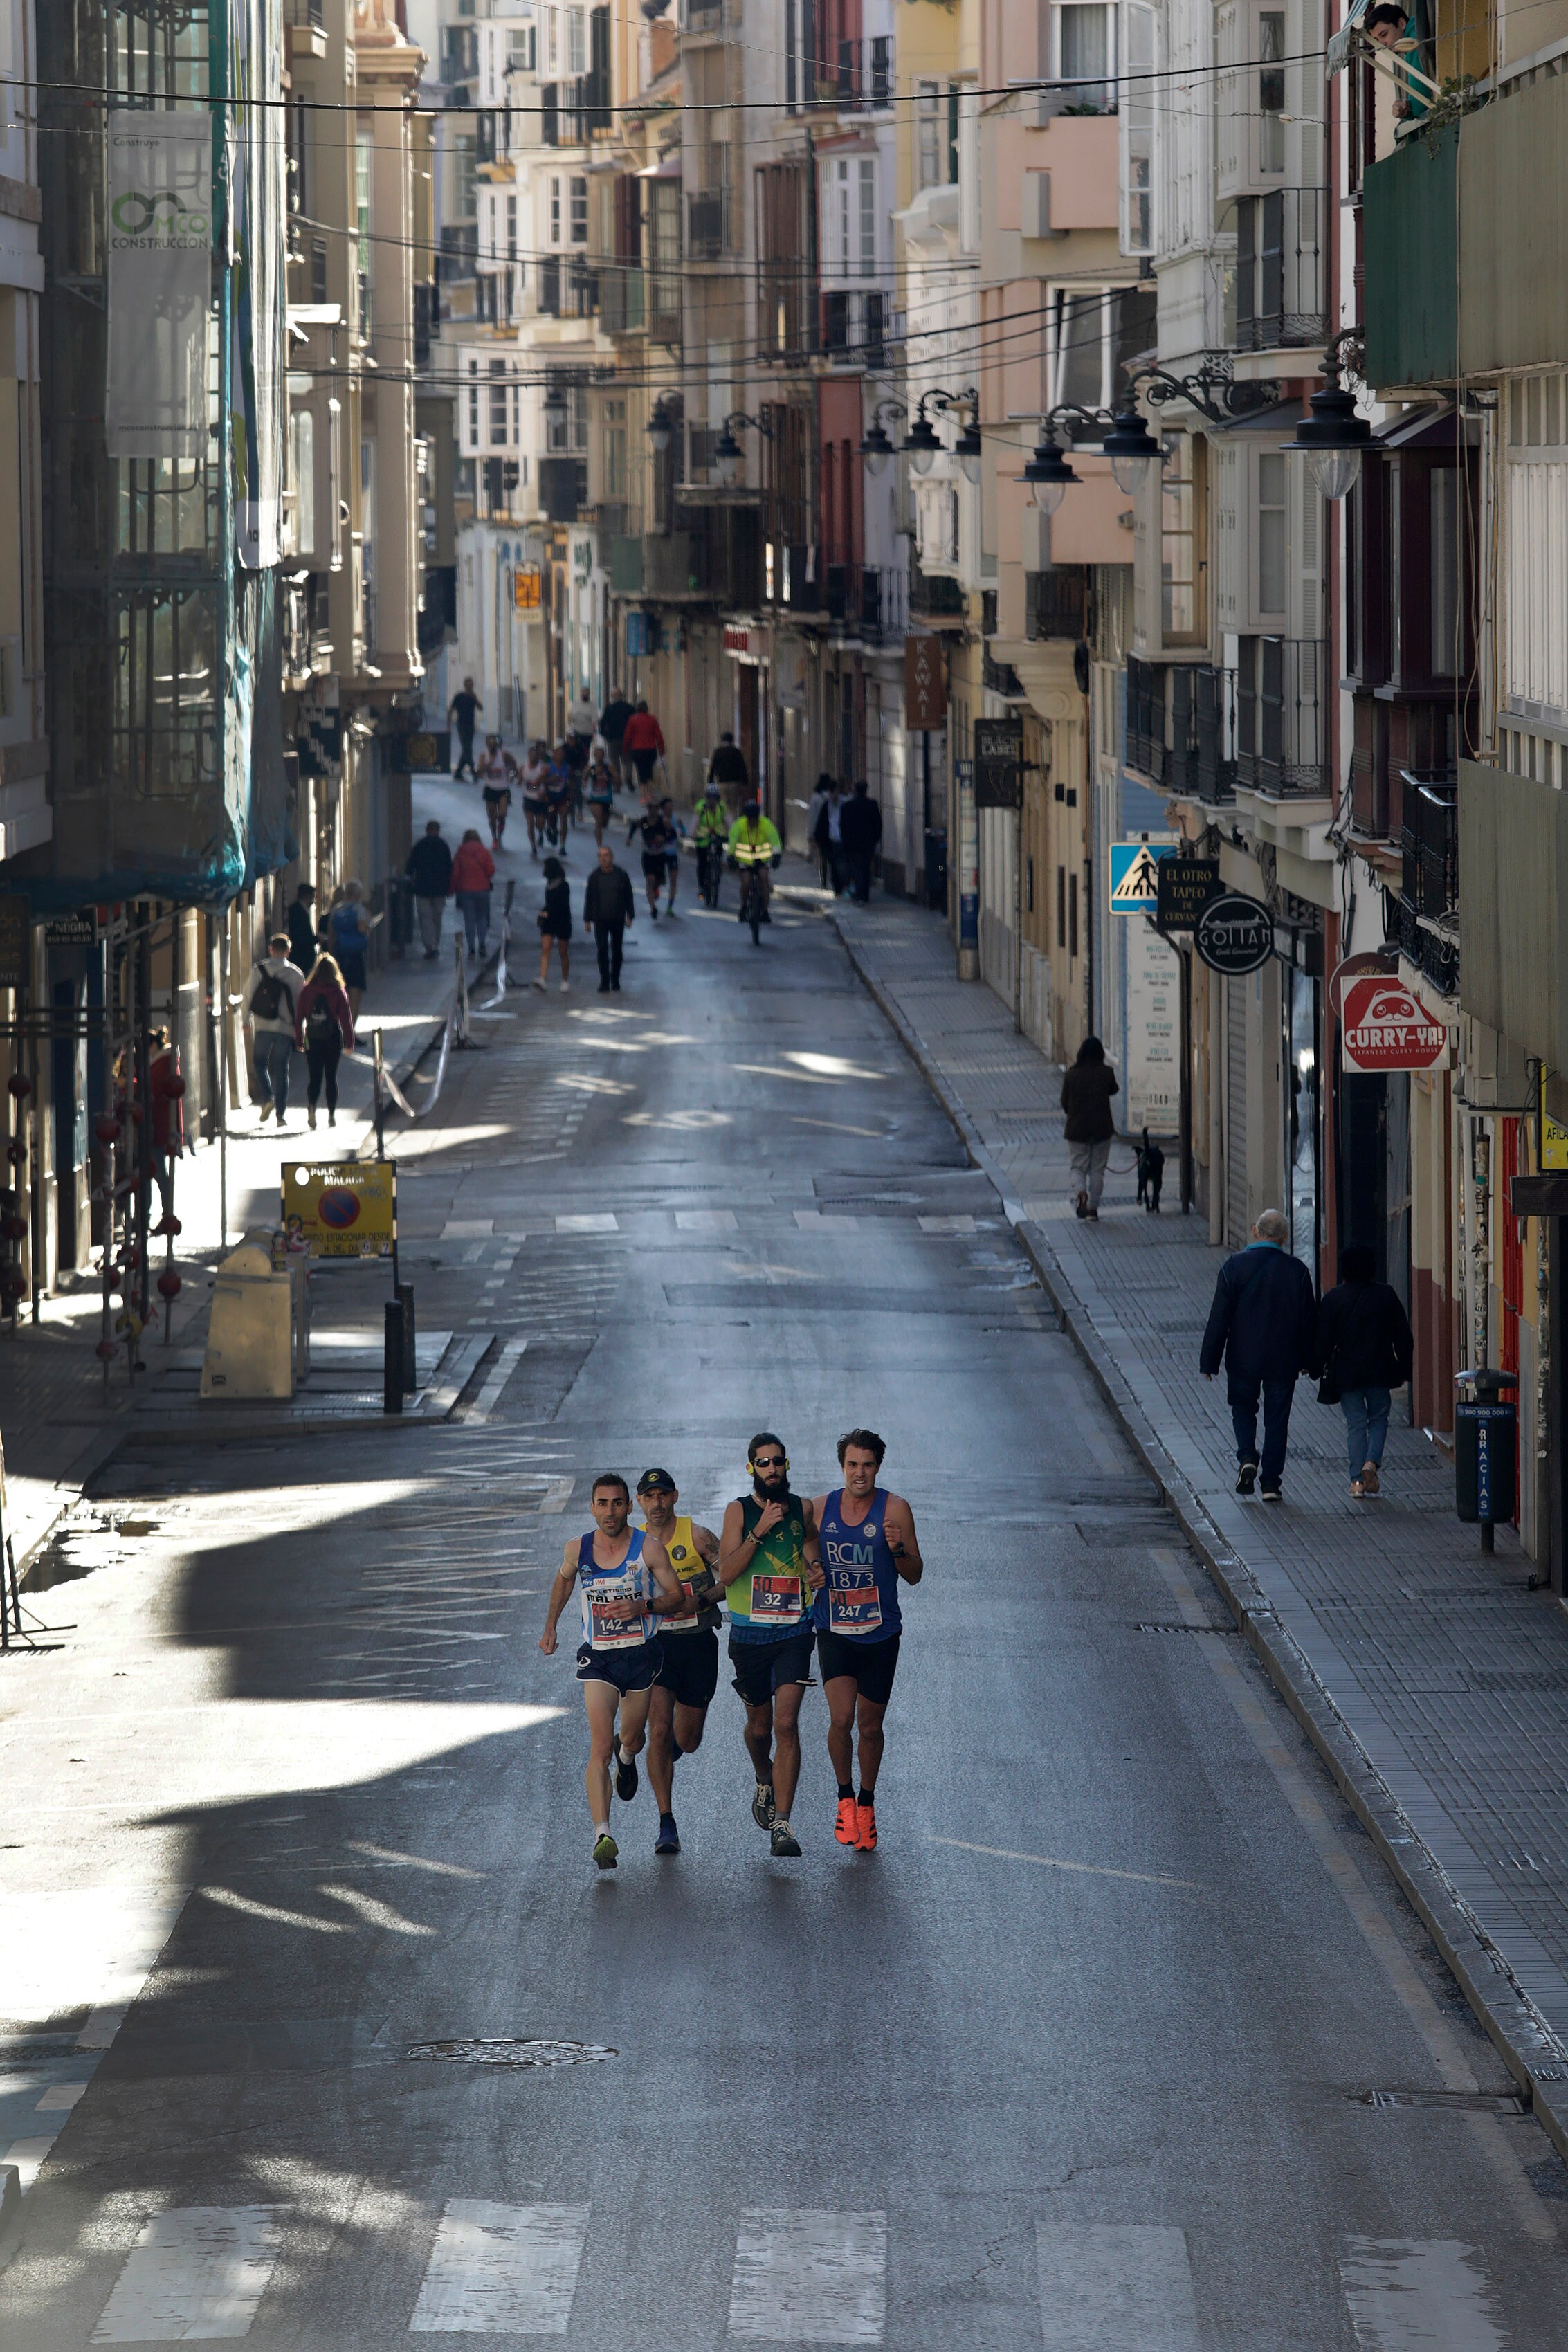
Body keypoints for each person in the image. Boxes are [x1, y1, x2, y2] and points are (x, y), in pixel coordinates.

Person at [538, 1471, 686, 1870]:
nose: (610, 1511)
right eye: (602, 1504)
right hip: (599, 1657)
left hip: (640, 1655)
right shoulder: (578, 1549)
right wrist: (551, 1626)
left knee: (632, 1738)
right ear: (592, 1508)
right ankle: (603, 1834)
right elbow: (563, 1582)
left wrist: (643, 1607)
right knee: (599, 1745)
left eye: (617, 1503)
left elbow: (676, 1598)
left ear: (628, 1506)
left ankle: (628, 1754)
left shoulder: (648, 1548)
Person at [811, 1430, 923, 1854]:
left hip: (880, 1634)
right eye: (853, 1465)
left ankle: (867, 1803)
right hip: (835, 1629)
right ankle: (844, 1798)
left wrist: (896, 1549)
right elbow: (805, 1551)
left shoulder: (895, 1509)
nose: (860, 1473)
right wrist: (813, 1569)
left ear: (878, 1466)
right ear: (842, 1466)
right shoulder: (821, 1509)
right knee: (841, 1720)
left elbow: (914, 1573)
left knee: (870, 1726)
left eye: (868, 1465)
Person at [716, 1433, 822, 1859]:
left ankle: (783, 1824)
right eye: (763, 1463)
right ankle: (764, 1778)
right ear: (751, 1469)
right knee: (760, 1728)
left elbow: (810, 1539)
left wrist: (816, 1567)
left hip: (795, 1630)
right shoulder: (737, 1511)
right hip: (750, 1634)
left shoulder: (803, 1508)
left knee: (786, 1725)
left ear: (787, 1465)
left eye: (778, 1462)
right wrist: (758, 1531)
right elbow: (726, 1573)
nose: (772, 1469)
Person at [1200, 1207, 1320, 1502]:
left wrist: (1209, 1361)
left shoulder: (1234, 1267)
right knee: (1277, 1420)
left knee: (1243, 1409)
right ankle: (1270, 1484)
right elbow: (1308, 1322)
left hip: (1243, 1359)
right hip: (1283, 1360)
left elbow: (1219, 1318)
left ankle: (1247, 1458)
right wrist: (1310, 1361)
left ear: (1255, 1231)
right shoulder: (1298, 1271)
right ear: (1285, 1238)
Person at [635, 1468, 724, 1856]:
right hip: (656, 1646)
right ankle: (666, 1822)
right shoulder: (632, 1543)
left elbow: (731, 1578)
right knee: (658, 1730)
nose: (656, 1504)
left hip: (698, 1643)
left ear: (674, 1497)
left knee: (687, 1739)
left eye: (663, 1496)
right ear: (640, 1502)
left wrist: (701, 1599)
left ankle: (669, 1752)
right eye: (648, 1497)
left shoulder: (700, 1537)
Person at [1316, 1243, 1415, 1499]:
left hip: (1348, 1374)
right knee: (1380, 1418)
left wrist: (1315, 1367)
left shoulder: (1334, 1298)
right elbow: (1403, 1336)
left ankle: (1356, 1483)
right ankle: (1371, 1462)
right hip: (1380, 1370)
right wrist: (1405, 1368)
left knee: (1356, 1424)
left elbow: (1323, 1340)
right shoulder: (1386, 1295)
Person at [243, 933, 307, 1127]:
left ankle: (268, 1099)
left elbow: (248, 995)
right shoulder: (296, 974)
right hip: (285, 1028)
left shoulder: (259, 969)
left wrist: (246, 1020)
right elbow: (301, 1004)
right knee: (282, 1070)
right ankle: (280, 1116)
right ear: (288, 951)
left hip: (263, 1025)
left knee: (260, 1064)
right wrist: (300, 1029)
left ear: (271, 949)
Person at [293, 951, 355, 1131]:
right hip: (333, 1037)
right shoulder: (338, 991)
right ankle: (331, 1115)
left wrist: (299, 1040)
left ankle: (312, 1108)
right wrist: (349, 1043)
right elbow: (346, 1019)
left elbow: (300, 1018)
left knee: (314, 1077)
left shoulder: (307, 990)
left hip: (313, 1036)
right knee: (331, 1077)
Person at [1060, 1035, 1119, 1221]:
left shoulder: (1071, 1074)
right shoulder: (1106, 1072)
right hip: (1101, 1129)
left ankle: (1080, 1193)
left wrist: (1074, 1113)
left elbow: (1064, 1103)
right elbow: (1114, 1090)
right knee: (1097, 1170)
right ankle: (1093, 1210)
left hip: (1077, 1130)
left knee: (1078, 1167)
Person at [584, 840, 635, 992]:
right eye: (600, 856)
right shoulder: (594, 877)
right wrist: (587, 920)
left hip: (617, 918)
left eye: (606, 856)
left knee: (617, 950)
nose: (604, 859)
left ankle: (615, 979)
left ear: (612, 857)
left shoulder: (621, 875)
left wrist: (630, 916)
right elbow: (589, 898)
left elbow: (629, 896)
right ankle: (604, 981)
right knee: (602, 949)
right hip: (600, 919)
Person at [727, 797, 782, 927]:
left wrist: (777, 855)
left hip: (762, 860)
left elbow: (775, 840)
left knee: (764, 880)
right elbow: (733, 842)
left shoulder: (766, 824)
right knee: (746, 883)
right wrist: (730, 856)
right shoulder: (739, 825)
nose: (752, 821)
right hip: (744, 861)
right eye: (750, 818)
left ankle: (765, 911)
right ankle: (744, 907)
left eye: (754, 818)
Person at [405, 821, 453, 959]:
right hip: (439, 889)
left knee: (425, 918)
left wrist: (411, 880)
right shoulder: (443, 846)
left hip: (422, 888)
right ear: (438, 830)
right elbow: (449, 868)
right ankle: (435, 944)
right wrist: (449, 886)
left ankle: (430, 946)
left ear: (427, 830)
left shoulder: (419, 846)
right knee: (437, 917)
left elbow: (410, 866)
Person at [327, 881, 372, 1021]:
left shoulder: (336, 909)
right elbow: (362, 929)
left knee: (340, 993)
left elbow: (331, 934)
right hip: (355, 957)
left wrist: (332, 953)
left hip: (339, 955)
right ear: (358, 895)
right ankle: (350, 1032)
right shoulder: (359, 910)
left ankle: (340, 1029)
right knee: (355, 996)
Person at [450, 828, 496, 959]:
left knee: (469, 919)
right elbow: (491, 870)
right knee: (482, 917)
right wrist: (483, 877)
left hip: (465, 891)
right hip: (483, 889)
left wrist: (452, 890)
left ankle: (471, 948)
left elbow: (455, 874)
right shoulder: (484, 851)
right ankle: (482, 943)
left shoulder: (461, 852)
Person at [627, 797, 677, 920]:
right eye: (650, 808)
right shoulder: (644, 821)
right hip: (648, 855)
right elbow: (634, 825)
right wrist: (630, 838)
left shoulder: (663, 821)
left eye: (656, 808)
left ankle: (656, 888)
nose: (653, 810)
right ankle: (653, 908)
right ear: (648, 809)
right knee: (650, 880)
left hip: (660, 855)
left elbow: (673, 834)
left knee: (660, 881)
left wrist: (664, 838)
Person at [838, 779, 882, 904]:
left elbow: (843, 826)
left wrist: (845, 842)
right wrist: (875, 839)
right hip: (868, 844)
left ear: (855, 791)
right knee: (866, 869)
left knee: (857, 869)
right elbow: (878, 824)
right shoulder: (872, 805)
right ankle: (865, 895)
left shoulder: (847, 807)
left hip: (853, 844)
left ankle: (860, 895)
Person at [534, 855, 572, 994]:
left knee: (563, 952)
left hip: (562, 921)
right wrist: (543, 912)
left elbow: (560, 905)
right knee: (546, 949)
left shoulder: (563, 885)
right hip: (549, 922)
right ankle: (542, 978)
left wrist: (546, 913)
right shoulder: (549, 885)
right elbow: (549, 903)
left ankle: (565, 980)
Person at [693, 780, 729, 904]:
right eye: (709, 797)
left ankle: (717, 871)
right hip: (702, 838)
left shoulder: (722, 806)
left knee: (718, 857)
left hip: (719, 836)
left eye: (714, 797)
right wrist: (691, 833)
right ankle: (701, 887)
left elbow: (729, 820)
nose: (711, 800)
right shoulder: (701, 806)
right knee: (702, 863)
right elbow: (695, 822)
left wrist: (733, 833)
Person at [621, 699, 665, 792]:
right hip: (651, 749)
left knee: (640, 771)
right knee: (649, 772)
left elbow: (628, 736)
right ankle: (649, 793)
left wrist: (625, 748)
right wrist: (661, 749)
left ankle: (643, 795)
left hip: (637, 750)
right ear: (647, 709)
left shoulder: (632, 720)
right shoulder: (652, 719)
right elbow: (658, 735)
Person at [478, 736, 513, 849]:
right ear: (487, 745)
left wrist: (512, 774)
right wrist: (490, 762)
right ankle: (494, 838)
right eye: (490, 744)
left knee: (502, 815)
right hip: (490, 789)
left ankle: (500, 835)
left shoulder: (504, 754)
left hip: (504, 789)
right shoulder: (484, 756)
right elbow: (479, 772)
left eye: (494, 744)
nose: (493, 746)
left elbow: (514, 764)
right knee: (492, 817)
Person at [812, 781, 846, 895]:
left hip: (839, 839)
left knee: (837, 864)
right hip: (832, 840)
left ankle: (839, 886)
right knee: (835, 864)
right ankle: (838, 886)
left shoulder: (841, 803)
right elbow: (822, 824)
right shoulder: (828, 804)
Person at [599, 689, 635, 789]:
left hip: (613, 739)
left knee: (614, 761)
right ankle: (628, 776)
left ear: (613, 697)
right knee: (628, 760)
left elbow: (602, 723)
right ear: (622, 696)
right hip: (627, 738)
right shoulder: (629, 708)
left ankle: (617, 781)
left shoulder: (609, 709)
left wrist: (604, 734)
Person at [520, 741, 551, 858]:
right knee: (530, 824)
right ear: (528, 756)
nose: (534, 757)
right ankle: (533, 846)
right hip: (528, 799)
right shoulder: (524, 767)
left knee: (540, 824)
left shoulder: (544, 768)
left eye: (536, 755)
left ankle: (541, 833)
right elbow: (519, 780)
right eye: (532, 755)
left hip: (540, 800)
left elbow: (548, 782)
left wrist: (544, 789)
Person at [449, 677, 482, 781]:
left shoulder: (473, 697)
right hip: (461, 726)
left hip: (471, 726)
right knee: (467, 749)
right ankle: (473, 772)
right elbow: (451, 710)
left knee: (466, 750)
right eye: (468, 685)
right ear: (465, 686)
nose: (470, 687)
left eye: (471, 686)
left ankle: (458, 772)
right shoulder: (459, 696)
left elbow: (481, 708)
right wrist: (448, 726)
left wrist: (475, 698)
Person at [805, 774, 834, 888]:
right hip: (831, 831)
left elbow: (812, 817)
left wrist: (810, 834)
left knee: (823, 857)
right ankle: (832, 879)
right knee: (831, 858)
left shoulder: (816, 797)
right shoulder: (831, 797)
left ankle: (823, 881)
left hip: (820, 832)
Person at [286, 881, 319, 977]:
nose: (314, 901)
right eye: (313, 897)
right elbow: (300, 936)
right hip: (301, 958)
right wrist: (316, 939)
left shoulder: (301, 910)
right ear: (308, 896)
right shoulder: (297, 911)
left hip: (303, 959)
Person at [659, 796, 686, 916]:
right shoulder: (658, 821)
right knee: (660, 880)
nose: (670, 810)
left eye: (671, 808)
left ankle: (670, 906)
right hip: (659, 854)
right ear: (663, 809)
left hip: (672, 855)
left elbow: (684, 833)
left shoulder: (675, 820)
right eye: (667, 808)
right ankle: (655, 890)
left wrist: (682, 827)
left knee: (673, 880)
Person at [707, 729, 749, 804]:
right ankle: (733, 816)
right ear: (732, 740)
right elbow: (742, 767)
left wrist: (710, 781)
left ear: (722, 740)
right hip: (734, 783)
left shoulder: (718, 752)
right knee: (733, 804)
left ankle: (725, 816)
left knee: (723, 804)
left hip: (722, 783)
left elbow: (713, 767)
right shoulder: (736, 752)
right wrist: (745, 781)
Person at [585, 753, 616, 847]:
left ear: (604, 756)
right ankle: (599, 845)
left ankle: (600, 843)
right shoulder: (592, 768)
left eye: (601, 755)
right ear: (594, 756)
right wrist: (586, 776)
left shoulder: (609, 768)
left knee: (604, 824)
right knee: (598, 821)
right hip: (595, 799)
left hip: (608, 800)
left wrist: (613, 773)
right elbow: (585, 778)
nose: (599, 757)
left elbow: (619, 782)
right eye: (598, 755)